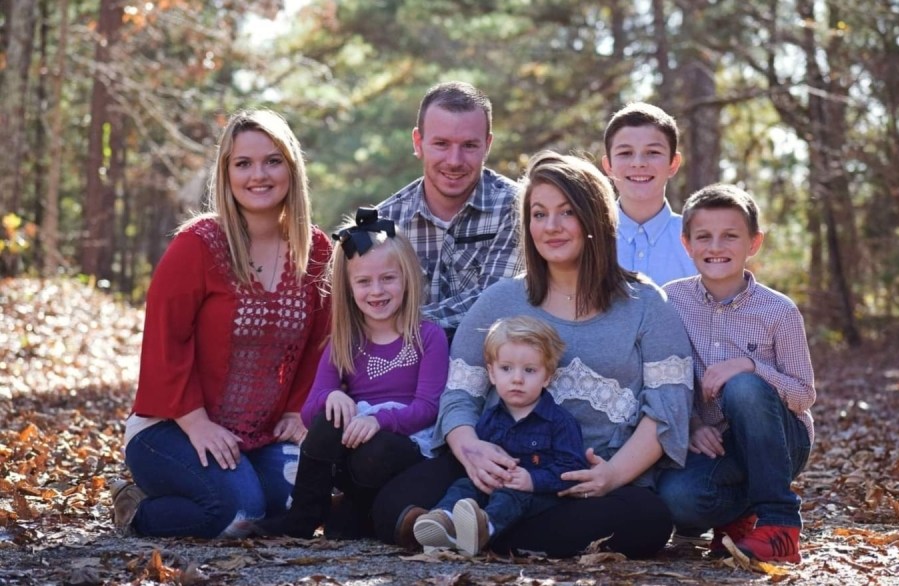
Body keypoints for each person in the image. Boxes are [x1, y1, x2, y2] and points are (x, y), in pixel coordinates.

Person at [371, 150, 694, 558]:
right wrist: (472, 450)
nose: (551, 227)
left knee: (648, 520)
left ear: (594, 217)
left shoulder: (647, 304)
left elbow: (668, 409)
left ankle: (477, 529)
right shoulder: (500, 301)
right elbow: (459, 396)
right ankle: (474, 525)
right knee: (392, 504)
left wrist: (611, 476)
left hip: (583, 480)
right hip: (496, 464)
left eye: (566, 213)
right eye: (538, 214)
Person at [110, 109, 333, 538]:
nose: (259, 175)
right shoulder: (197, 245)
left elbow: (319, 344)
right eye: (243, 163)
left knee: (301, 500)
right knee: (237, 513)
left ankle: (236, 485)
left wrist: (297, 410)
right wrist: (196, 423)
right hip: (171, 428)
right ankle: (136, 509)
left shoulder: (316, 249)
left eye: (273, 161)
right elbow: (164, 343)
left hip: (259, 433)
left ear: (291, 168)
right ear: (226, 173)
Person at [254, 207, 448, 539]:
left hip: (404, 444)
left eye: (388, 278)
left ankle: (357, 508)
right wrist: (333, 396)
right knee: (330, 418)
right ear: (348, 287)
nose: (377, 291)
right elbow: (309, 413)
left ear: (408, 278)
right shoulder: (345, 341)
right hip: (353, 444)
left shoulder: (428, 335)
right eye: (363, 281)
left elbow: (428, 409)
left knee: (375, 456)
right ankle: (303, 514)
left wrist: (379, 420)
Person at [656, 183, 816, 564]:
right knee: (677, 499)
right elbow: (660, 377)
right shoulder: (669, 301)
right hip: (716, 446)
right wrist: (693, 423)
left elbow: (804, 395)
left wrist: (750, 366)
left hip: (780, 441)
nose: (716, 247)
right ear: (687, 244)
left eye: (730, 236)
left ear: (753, 243)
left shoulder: (779, 311)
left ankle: (780, 524)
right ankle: (739, 518)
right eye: (704, 237)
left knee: (743, 386)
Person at [413, 316, 588, 556]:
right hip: (492, 487)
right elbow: (478, 459)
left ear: (547, 376)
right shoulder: (490, 418)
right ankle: (444, 520)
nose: (517, 378)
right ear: (492, 374)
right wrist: (482, 473)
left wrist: (532, 480)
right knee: (464, 486)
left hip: (535, 496)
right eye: (506, 369)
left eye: (529, 370)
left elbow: (572, 469)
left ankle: (484, 529)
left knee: (511, 496)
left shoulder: (560, 422)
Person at [377, 81, 522, 340]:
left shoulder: (517, 209)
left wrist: (394, 322)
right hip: (403, 373)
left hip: (495, 373)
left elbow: (496, 304)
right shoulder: (385, 221)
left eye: (469, 145)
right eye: (441, 144)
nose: (454, 161)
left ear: (487, 145)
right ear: (418, 142)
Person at [601, 102, 696, 285]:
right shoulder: (586, 239)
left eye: (653, 152)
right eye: (626, 153)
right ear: (608, 166)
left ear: (673, 164)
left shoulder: (700, 241)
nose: (638, 163)